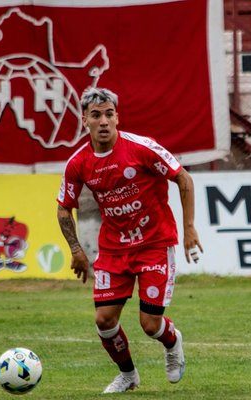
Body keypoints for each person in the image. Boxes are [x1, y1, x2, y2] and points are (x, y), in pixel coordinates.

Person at [56, 87, 203, 393]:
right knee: (104, 320)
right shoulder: (78, 163)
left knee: (150, 325)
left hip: (154, 244)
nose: (104, 121)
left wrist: (189, 228)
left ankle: (173, 342)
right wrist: (75, 249)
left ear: (117, 117)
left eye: (110, 113)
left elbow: (183, 178)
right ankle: (128, 375)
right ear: (85, 120)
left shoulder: (141, 148)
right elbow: (62, 208)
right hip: (113, 249)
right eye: (96, 115)